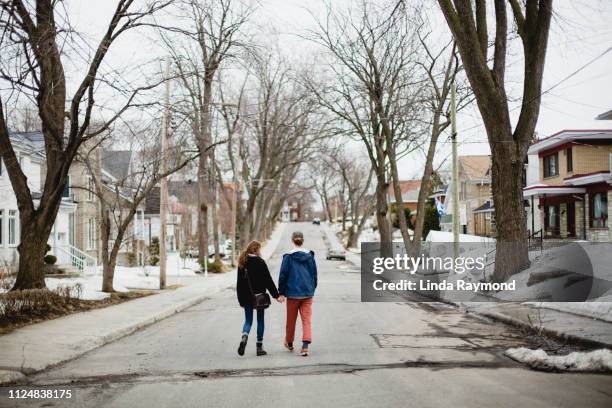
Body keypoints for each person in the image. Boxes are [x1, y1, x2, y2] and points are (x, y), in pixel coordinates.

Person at [236, 240, 283, 356]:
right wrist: (276, 295)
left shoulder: (243, 262)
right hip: (259, 297)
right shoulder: (260, 262)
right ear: (256, 250)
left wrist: (240, 299)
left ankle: (244, 336)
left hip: (246, 297)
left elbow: (239, 284)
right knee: (260, 320)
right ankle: (259, 347)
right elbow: (268, 281)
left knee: (248, 321)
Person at [278, 231, 317, 356]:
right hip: (307, 293)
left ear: (293, 241)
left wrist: (281, 292)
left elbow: (283, 275)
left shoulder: (288, 257)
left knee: (291, 320)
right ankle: (305, 346)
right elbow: (314, 274)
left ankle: (289, 343)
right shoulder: (310, 256)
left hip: (293, 294)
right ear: (302, 241)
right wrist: (312, 288)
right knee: (306, 320)